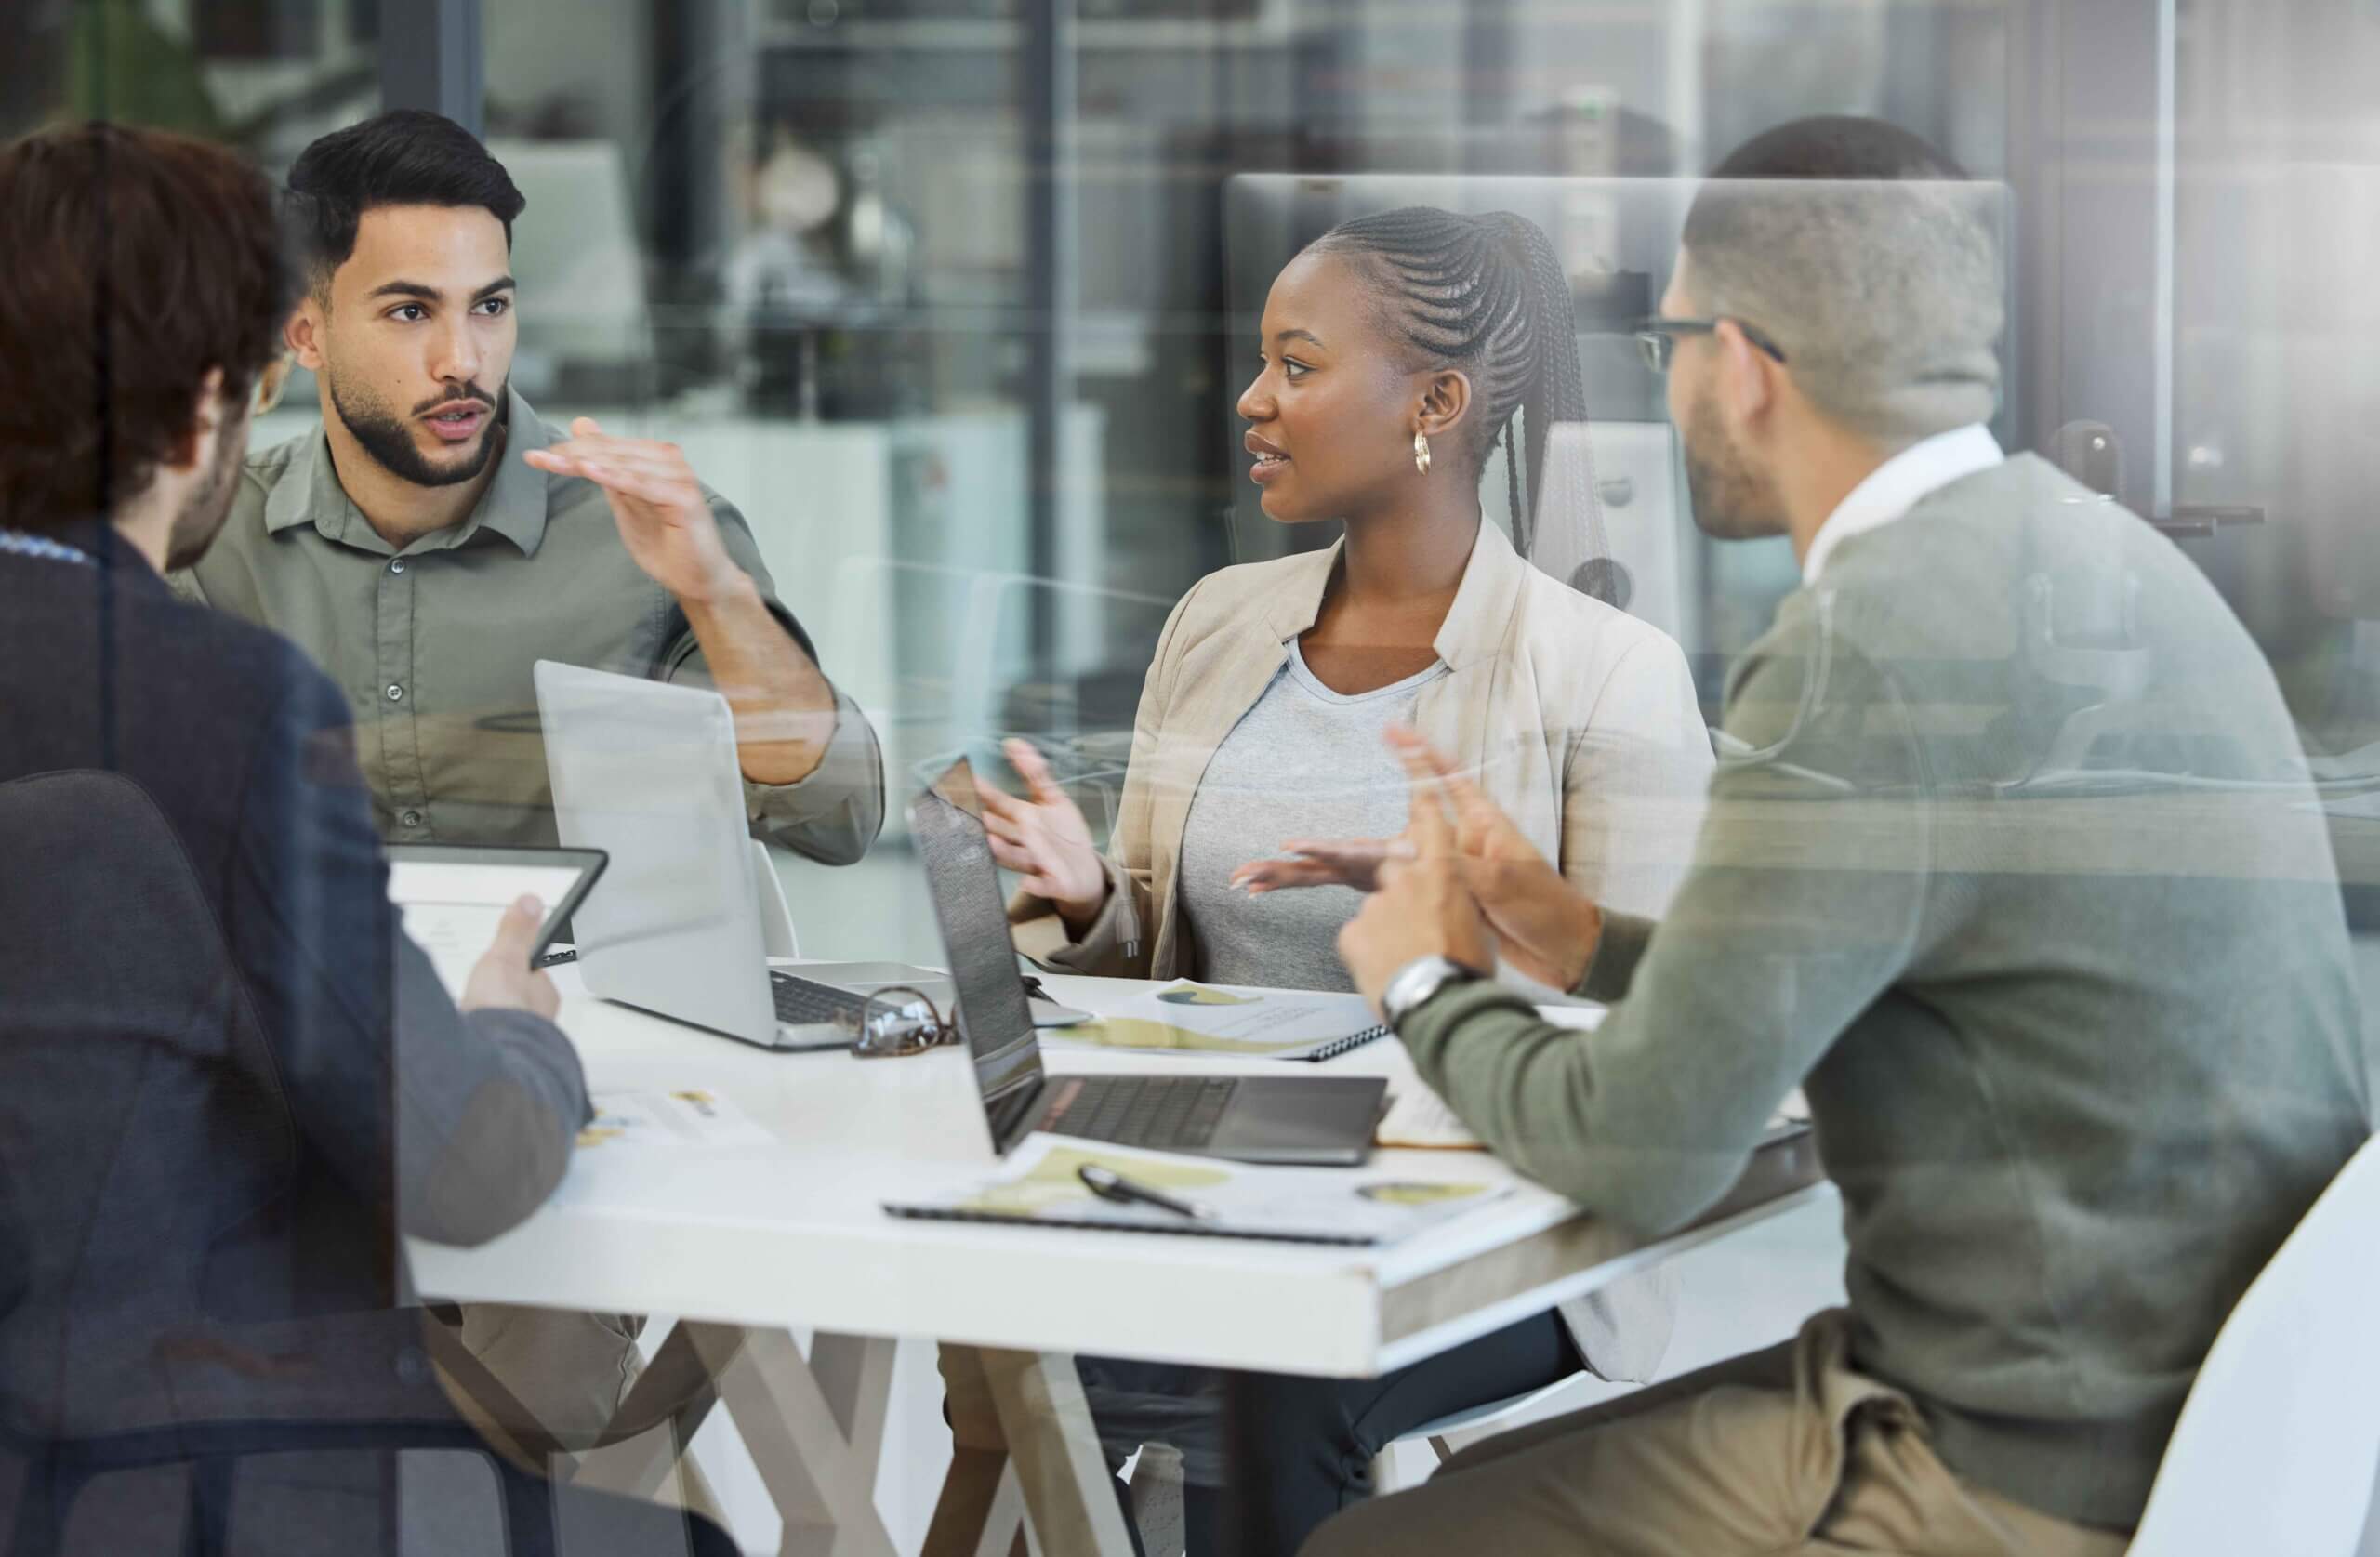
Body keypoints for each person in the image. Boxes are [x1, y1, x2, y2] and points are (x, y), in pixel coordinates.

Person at [1315, 116, 2375, 1556]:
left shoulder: (1861, 649)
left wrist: (1420, 981)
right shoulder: (2092, 552)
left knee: (1378, 1545)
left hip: (2015, 1472)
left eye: (1672, 340)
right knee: (1454, 1504)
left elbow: (1640, 1151)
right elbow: (1916, 937)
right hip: (2191, 1425)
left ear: (1741, 364)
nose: (1673, 378)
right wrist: (1577, 937)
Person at [0, 120, 734, 1556]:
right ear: (217, 403)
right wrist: (518, 1026)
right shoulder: (213, 706)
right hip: (193, 1468)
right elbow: (464, 1166)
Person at [984, 205, 1714, 1552]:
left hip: (1498, 1218)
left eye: (1299, 367)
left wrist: (1467, 927)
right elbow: (1167, 958)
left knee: (1276, 1381)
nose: (1254, 403)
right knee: (1011, 1341)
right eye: (1262, 365)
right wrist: (1088, 898)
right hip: (1211, 1182)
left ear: (1435, 401)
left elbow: (1651, 1025)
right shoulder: (1218, 625)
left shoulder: (1607, 669)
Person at [174, 107, 885, 1464]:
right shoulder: (216, 541)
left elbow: (842, 810)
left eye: (489, 306)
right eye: (409, 312)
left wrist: (717, 592)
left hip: (571, 1105)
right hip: (292, 1103)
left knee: (496, 1397)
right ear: (306, 334)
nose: (464, 360)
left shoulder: (633, 531)